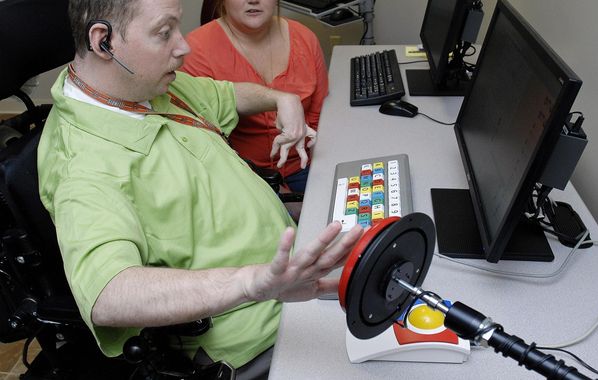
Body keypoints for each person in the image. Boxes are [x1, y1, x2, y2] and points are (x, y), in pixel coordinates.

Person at [37, 0, 362, 378]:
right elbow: (109, 295)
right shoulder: (83, 163)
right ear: (103, 41)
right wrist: (252, 281)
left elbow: (228, 95)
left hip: (296, 276)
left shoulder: (145, 86)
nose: (183, 46)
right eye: (164, 33)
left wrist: (280, 98)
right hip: (264, 333)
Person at [181, 0, 329, 194]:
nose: (253, 0)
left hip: (307, 165)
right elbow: (203, 144)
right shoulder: (196, 49)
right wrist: (276, 197)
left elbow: (321, 116)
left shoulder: (305, 37)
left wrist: (321, 172)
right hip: (241, 176)